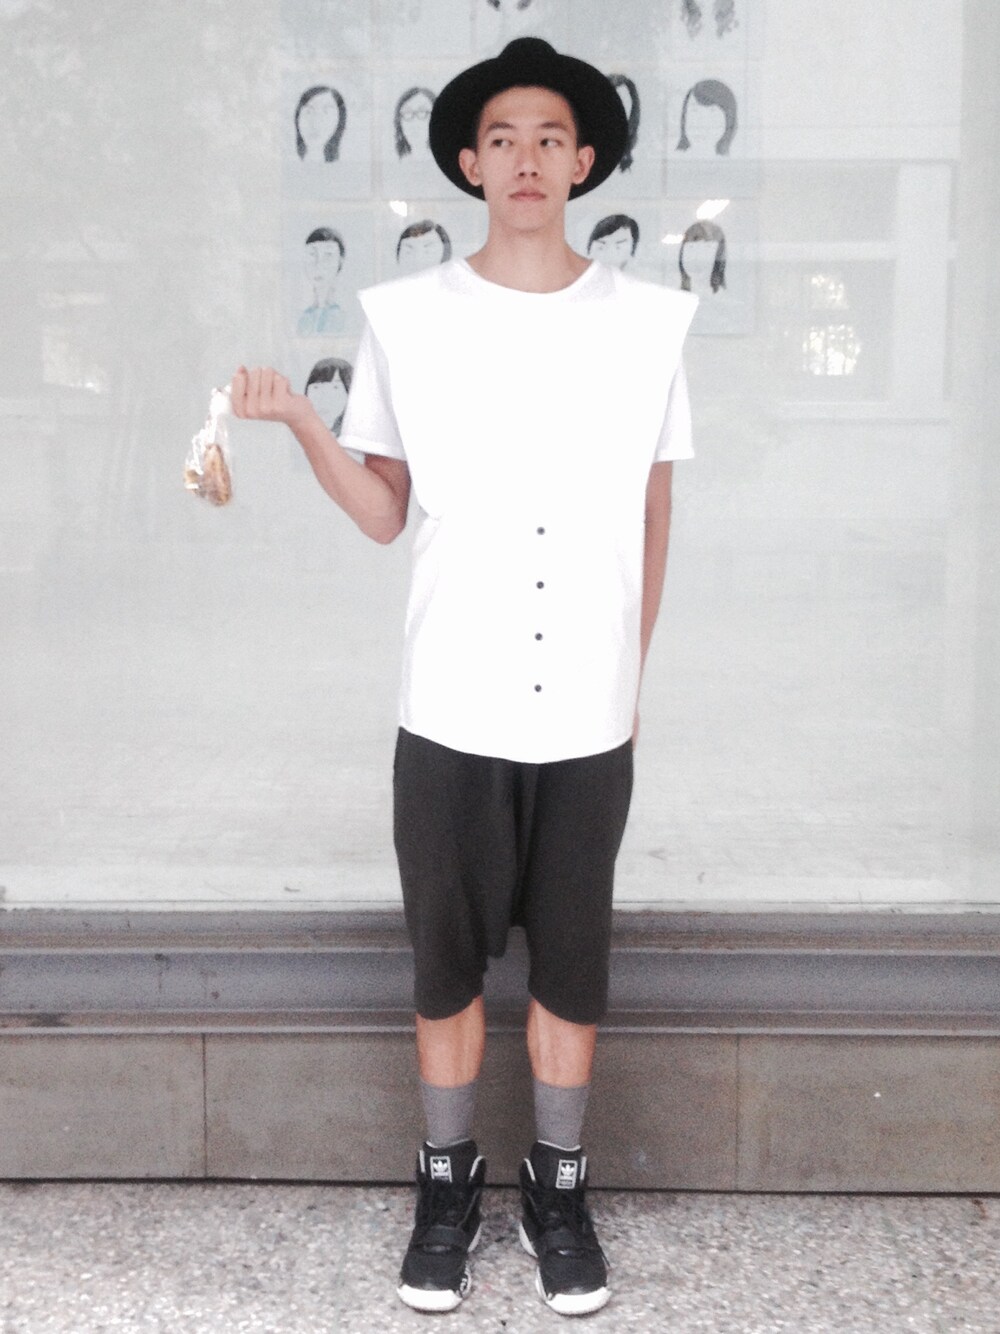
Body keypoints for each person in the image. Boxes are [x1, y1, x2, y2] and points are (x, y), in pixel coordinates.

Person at [231, 36, 697, 1318]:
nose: (526, 158)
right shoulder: (406, 317)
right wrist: (305, 424)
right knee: (443, 963)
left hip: (588, 708)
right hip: (448, 701)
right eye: (502, 138)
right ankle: (446, 1186)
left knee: (572, 966)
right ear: (468, 162)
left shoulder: (651, 322)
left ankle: (557, 1188)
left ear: (584, 160)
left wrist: (629, 680)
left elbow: (652, 513)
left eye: (549, 137)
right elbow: (386, 511)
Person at [297, 227, 346, 335]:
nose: (318, 264)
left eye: (328, 255)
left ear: (340, 262)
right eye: (312, 254)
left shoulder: (343, 318)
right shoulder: (303, 318)